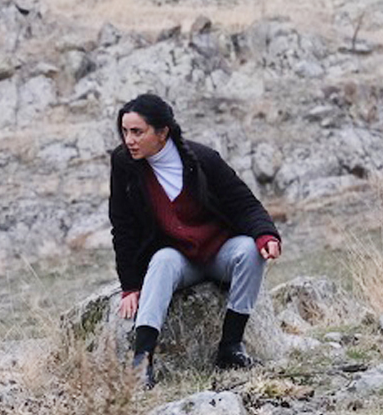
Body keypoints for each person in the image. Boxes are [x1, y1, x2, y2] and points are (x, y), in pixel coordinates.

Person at [109, 93, 280, 388]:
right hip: (177, 258)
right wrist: (130, 286)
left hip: (217, 253)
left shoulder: (203, 160)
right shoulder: (124, 164)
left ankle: (230, 348)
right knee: (162, 260)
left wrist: (266, 235)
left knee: (250, 252)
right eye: (125, 132)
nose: (129, 140)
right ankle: (141, 362)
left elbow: (245, 204)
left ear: (163, 132)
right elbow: (122, 227)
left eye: (137, 132)